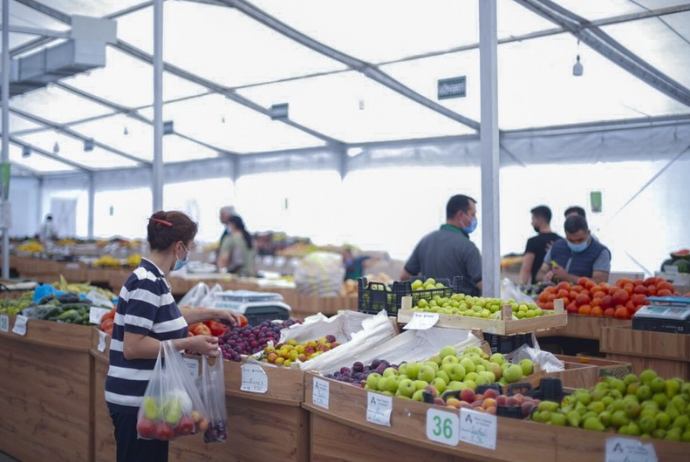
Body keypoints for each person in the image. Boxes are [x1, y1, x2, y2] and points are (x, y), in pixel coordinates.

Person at [105, 211, 243, 462]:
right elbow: (133, 347)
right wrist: (190, 343)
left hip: (148, 399)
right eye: (189, 248)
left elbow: (164, 318)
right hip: (134, 400)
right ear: (178, 247)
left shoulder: (155, 279)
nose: (187, 255)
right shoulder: (146, 283)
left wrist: (211, 313)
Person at [400, 194, 482, 295]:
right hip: (462, 309)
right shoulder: (468, 247)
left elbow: (404, 277)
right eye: (473, 214)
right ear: (460, 215)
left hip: (428, 308)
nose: (475, 219)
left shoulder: (425, 242)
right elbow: (483, 284)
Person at [537, 215, 611, 284]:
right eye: (571, 240)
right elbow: (540, 273)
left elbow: (600, 282)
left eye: (580, 240)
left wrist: (567, 277)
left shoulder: (600, 252)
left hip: (584, 297)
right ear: (565, 235)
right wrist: (545, 277)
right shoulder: (556, 247)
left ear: (588, 233)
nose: (576, 244)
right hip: (556, 296)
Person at [518, 205, 562, 286]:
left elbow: (526, 269)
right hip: (558, 291)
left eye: (533, 219)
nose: (531, 223)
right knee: (558, 299)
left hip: (539, 291)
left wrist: (520, 290)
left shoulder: (533, 242)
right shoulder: (561, 240)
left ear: (540, 220)